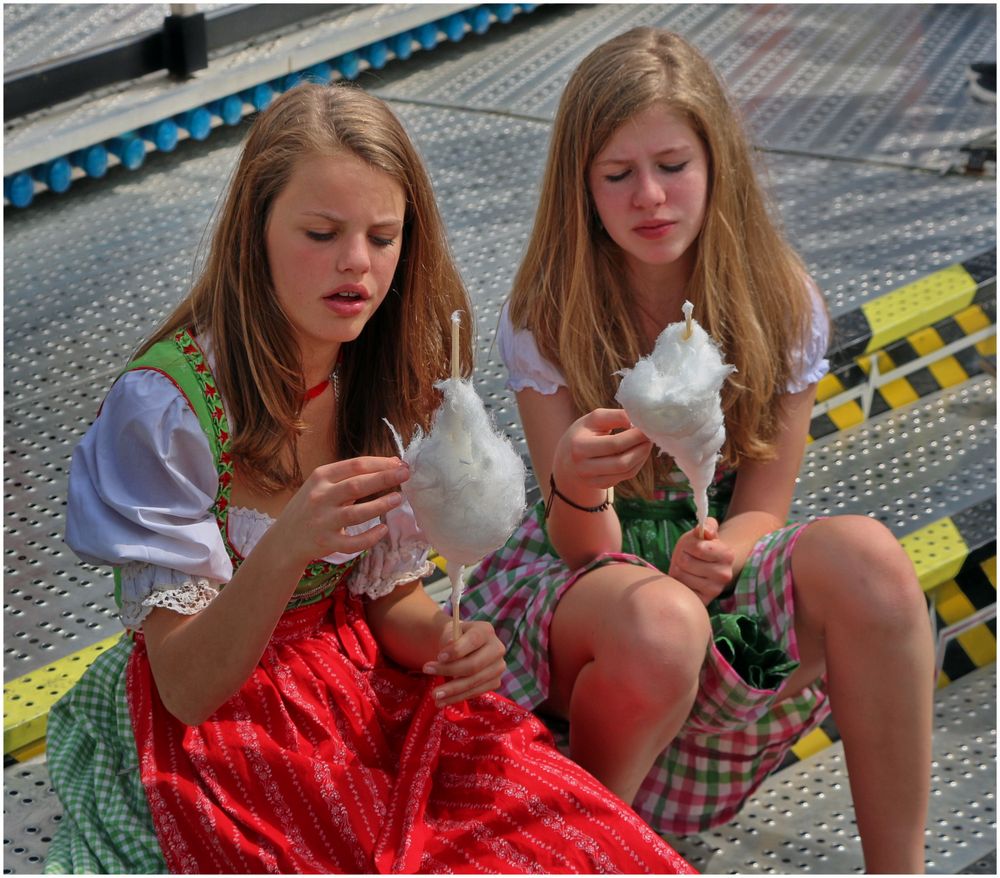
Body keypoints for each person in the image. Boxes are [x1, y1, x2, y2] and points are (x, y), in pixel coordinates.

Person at [43, 82, 694, 875]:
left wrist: (452, 642)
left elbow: (388, 598)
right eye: (322, 232)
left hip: (360, 683)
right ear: (256, 231)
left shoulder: (392, 376)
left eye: (384, 238)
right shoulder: (169, 406)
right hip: (227, 727)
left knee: (583, 846)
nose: (356, 263)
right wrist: (287, 547)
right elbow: (185, 686)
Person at [463, 27, 934, 874]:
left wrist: (725, 554)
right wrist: (574, 483)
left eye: (673, 165)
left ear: (717, 164)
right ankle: (582, 848)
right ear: (583, 187)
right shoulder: (546, 310)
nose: (650, 196)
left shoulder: (781, 300)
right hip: (585, 586)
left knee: (870, 559)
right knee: (659, 618)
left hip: (711, 558)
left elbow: (765, 500)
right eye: (618, 175)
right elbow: (583, 548)